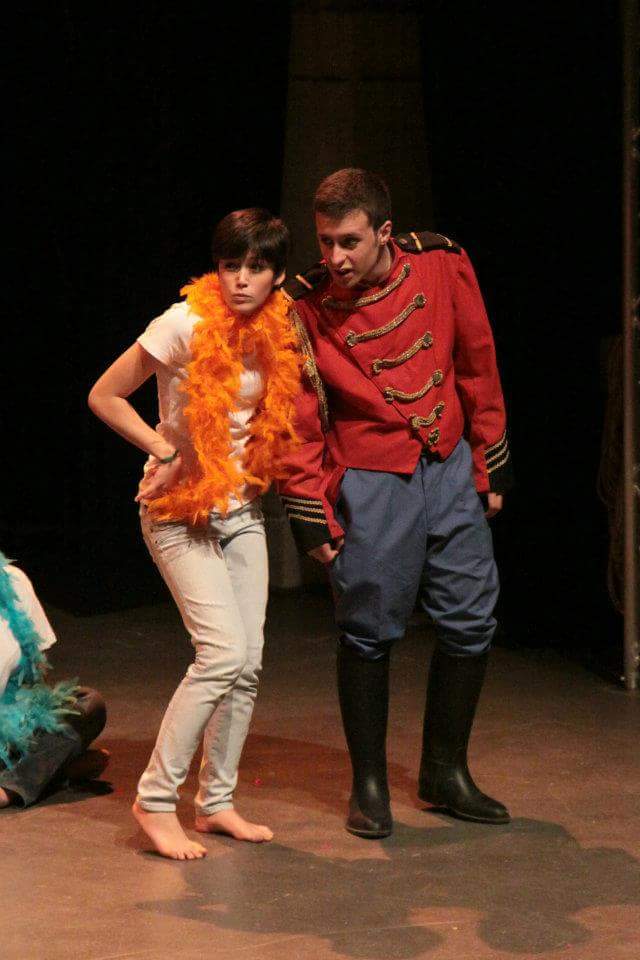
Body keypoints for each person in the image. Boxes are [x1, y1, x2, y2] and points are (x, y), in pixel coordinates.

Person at [280, 169, 514, 838]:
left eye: (349, 242)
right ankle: (370, 784)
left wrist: (488, 460)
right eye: (326, 242)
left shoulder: (441, 264)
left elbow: (478, 363)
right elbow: (298, 420)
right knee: (369, 627)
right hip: (372, 476)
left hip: (448, 465)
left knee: (471, 617)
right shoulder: (305, 308)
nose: (334, 258)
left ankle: (445, 772)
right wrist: (310, 512)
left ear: (384, 232)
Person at [88, 208, 301, 860]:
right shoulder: (183, 323)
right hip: (179, 513)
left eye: (256, 267)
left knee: (248, 662)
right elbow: (104, 394)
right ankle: (155, 801)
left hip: (242, 513)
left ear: (277, 275)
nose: (241, 279)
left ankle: (215, 802)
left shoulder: (277, 329)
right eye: (231, 265)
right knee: (221, 655)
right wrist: (163, 448)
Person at [0, 551, 108, 809]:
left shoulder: (13, 582)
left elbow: (35, 673)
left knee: (87, 703)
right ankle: (58, 772)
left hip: (7, 724)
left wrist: (29, 723)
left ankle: (18, 781)